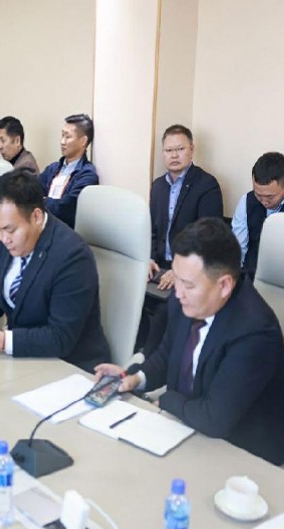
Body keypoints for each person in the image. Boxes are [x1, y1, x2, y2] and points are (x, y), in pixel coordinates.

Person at [95, 218, 284, 465]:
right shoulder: (186, 300)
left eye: (188, 285)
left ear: (224, 285)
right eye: (178, 279)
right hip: (185, 428)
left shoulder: (255, 334)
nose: (178, 292)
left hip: (240, 455)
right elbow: (166, 356)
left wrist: (165, 400)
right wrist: (134, 378)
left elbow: (213, 419)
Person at [0, 169, 110, 371]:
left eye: (10, 229)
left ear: (36, 216)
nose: (3, 238)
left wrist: (2, 340)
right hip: (24, 360)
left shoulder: (72, 256)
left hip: (70, 367)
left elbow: (60, 338)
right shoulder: (4, 240)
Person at [149, 124, 223, 289]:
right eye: (169, 150)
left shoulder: (207, 185)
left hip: (192, 271)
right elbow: (152, 230)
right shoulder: (158, 186)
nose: (174, 155)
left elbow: (209, 239)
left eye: (180, 149)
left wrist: (181, 270)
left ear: (192, 149)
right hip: (160, 268)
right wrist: (150, 259)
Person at [38, 113, 98, 229]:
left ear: (83, 141)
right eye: (62, 135)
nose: (62, 142)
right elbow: (33, 191)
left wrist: (41, 202)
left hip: (63, 232)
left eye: (67, 137)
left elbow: (67, 208)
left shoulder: (87, 175)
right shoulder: (53, 168)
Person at [231, 151, 284, 280]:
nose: (264, 202)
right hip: (251, 277)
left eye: (270, 197)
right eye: (258, 195)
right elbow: (238, 248)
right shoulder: (246, 201)